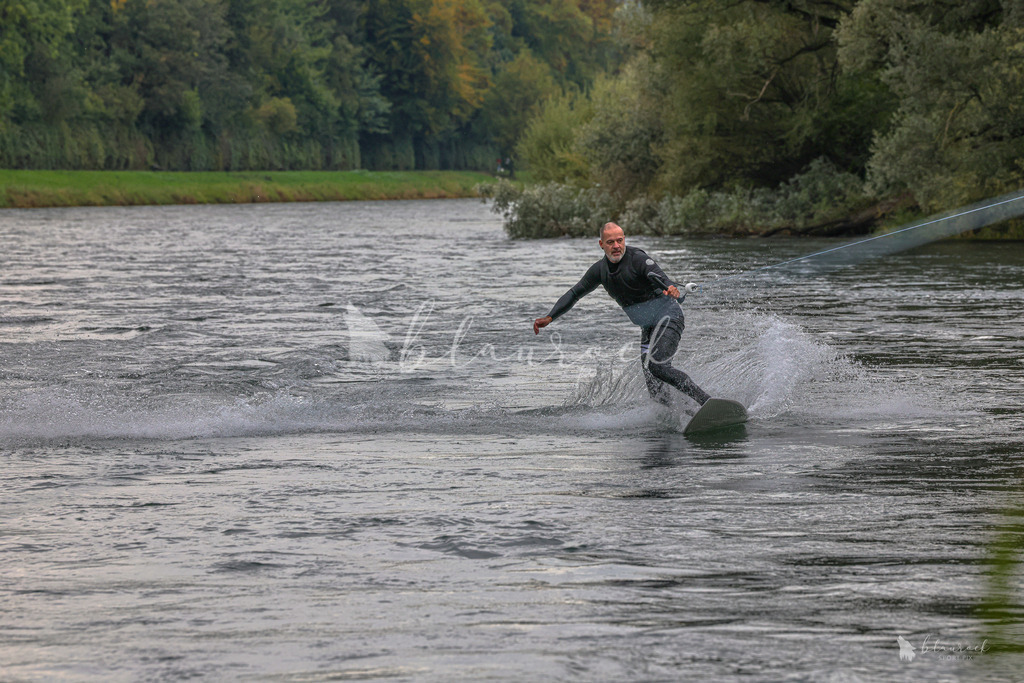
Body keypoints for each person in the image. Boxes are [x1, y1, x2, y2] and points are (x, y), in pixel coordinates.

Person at [533, 222, 711, 407]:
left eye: (620, 240)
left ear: (624, 240)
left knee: (658, 367)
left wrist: (671, 289)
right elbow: (574, 293)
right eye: (610, 242)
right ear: (601, 244)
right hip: (648, 328)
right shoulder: (599, 271)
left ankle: (706, 402)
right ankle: (683, 414)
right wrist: (550, 317)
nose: (616, 246)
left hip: (669, 317)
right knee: (653, 385)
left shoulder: (638, 259)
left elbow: (660, 277)